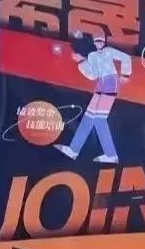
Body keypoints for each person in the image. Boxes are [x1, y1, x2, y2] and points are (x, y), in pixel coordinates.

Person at [54, 32, 131, 164]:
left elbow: (126, 57)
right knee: (88, 117)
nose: (99, 43)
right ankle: (74, 149)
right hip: (101, 84)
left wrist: (125, 74)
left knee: (99, 119)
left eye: (101, 40)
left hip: (109, 84)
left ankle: (111, 154)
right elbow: (93, 75)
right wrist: (82, 61)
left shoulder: (108, 51)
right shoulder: (92, 56)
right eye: (97, 40)